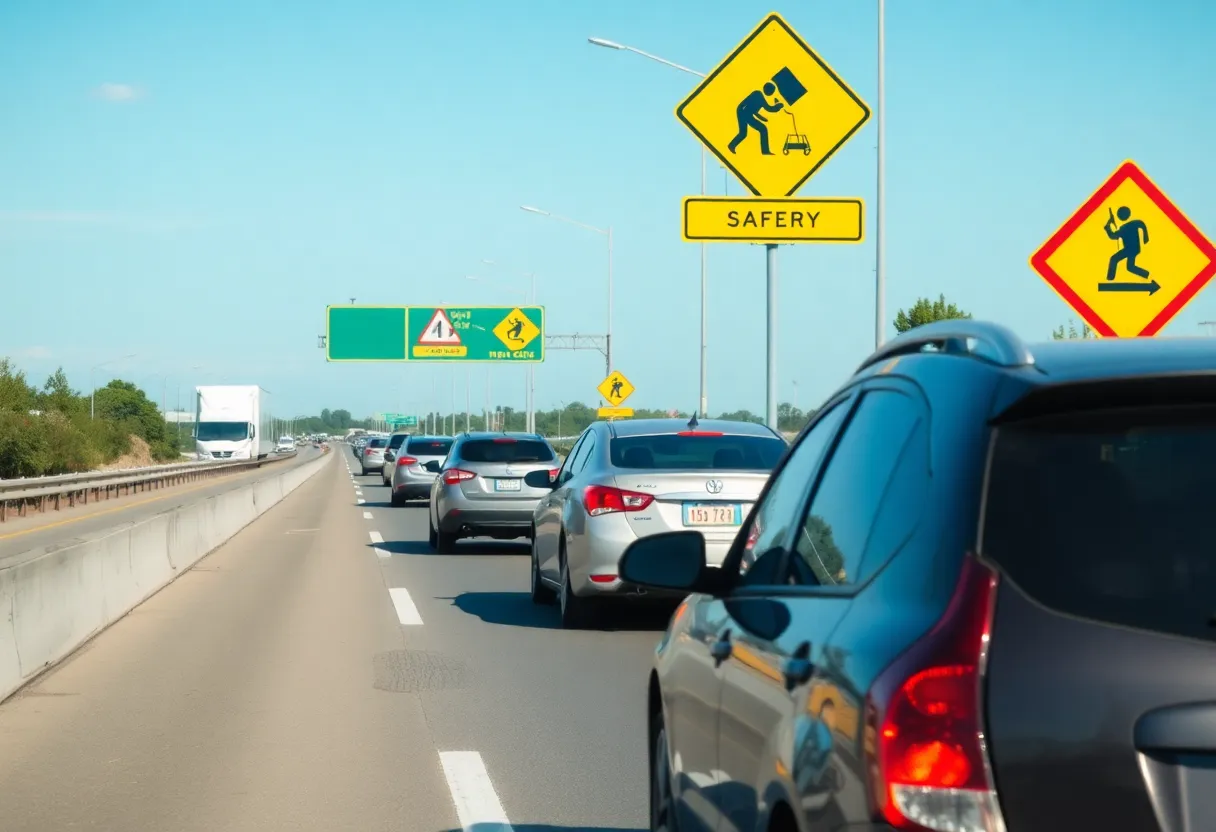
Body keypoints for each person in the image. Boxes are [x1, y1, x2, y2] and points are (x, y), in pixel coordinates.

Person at [727, 83, 784, 156]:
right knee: (762, 129)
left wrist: (762, 118)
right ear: (767, 90)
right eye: (772, 91)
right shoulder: (758, 94)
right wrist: (778, 106)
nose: (772, 93)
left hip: (744, 113)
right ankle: (765, 151)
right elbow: (769, 108)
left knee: (743, 133)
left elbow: (754, 110)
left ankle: (731, 145)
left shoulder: (759, 95)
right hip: (743, 112)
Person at [1105, 206, 1150, 281]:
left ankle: (1110, 279)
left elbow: (1113, 236)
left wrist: (1107, 227)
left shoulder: (1125, 227)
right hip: (1134, 249)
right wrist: (1145, 237)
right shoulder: (1132, 224)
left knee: (1114, 259)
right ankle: (1146, 274)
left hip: (1130, 249)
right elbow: (1141, 224)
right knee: (1130, 267)